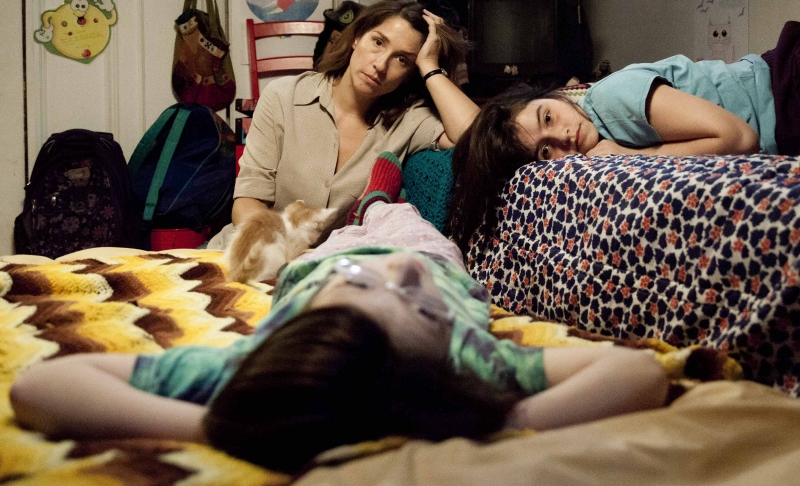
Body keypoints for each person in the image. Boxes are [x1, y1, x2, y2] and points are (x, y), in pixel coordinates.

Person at [10, 152, 669, 474]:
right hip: (437, 259)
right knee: (406, 225)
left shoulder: (257, 365)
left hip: (316, 268)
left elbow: (41, 387)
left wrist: (217, 425)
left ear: (299, 328)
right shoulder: (466, 364)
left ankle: (359, 212)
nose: (399, 277)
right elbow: (638, 373)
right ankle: (379, 202)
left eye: (364, 288)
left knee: (326, 242)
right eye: (423, 311)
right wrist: (504, 418)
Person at [448, 20, 800, 253]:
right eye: (544, 151)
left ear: (554, 96)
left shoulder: (609, 99)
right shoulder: (589, 143)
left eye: (548, 117)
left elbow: (741, 138)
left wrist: (628, 157)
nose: (563, 137)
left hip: (786, 86)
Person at [208, 0, 480, 249]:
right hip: (252, 253)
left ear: (411, 73)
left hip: (331, 269)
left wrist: (430, 65)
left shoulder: (409, 120)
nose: (380, 64)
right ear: (357, 37)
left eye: (402, 59)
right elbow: (247, 203)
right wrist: (287, 255)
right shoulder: (283, 96)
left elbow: (477, 135)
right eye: (378, 42)